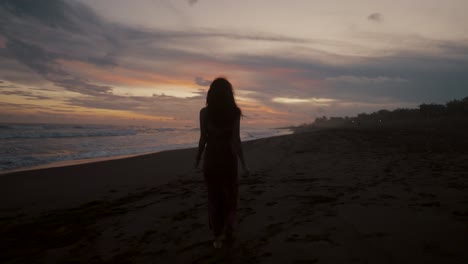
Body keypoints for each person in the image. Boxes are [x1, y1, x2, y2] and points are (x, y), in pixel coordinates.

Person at [194, 77, 250, 249]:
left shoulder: (204, 113)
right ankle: (229, 231)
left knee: (214, 197)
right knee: (230, 196)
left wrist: (197, 158)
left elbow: (203, 138)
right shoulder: (234, 112)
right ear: (229, 94)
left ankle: (217, 236)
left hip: (211, 158)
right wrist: (243, 163)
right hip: (228, 158)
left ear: (211, 94)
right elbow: (236, 140)